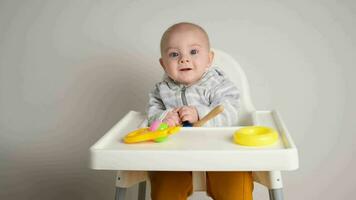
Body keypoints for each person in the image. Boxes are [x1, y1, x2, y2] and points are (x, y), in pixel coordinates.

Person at [147, 22, 253, 200]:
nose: (184, 59)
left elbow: (229, 111)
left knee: (236, 186)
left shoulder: (218, 84)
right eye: (174, 54)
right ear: (163, 64)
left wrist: (200, 113)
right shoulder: (161, 90)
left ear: (209, 58)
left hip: (221, 153)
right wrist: (165, 118)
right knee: (164, 184)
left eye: (193, 52)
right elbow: (151, 116)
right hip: (175, 155)